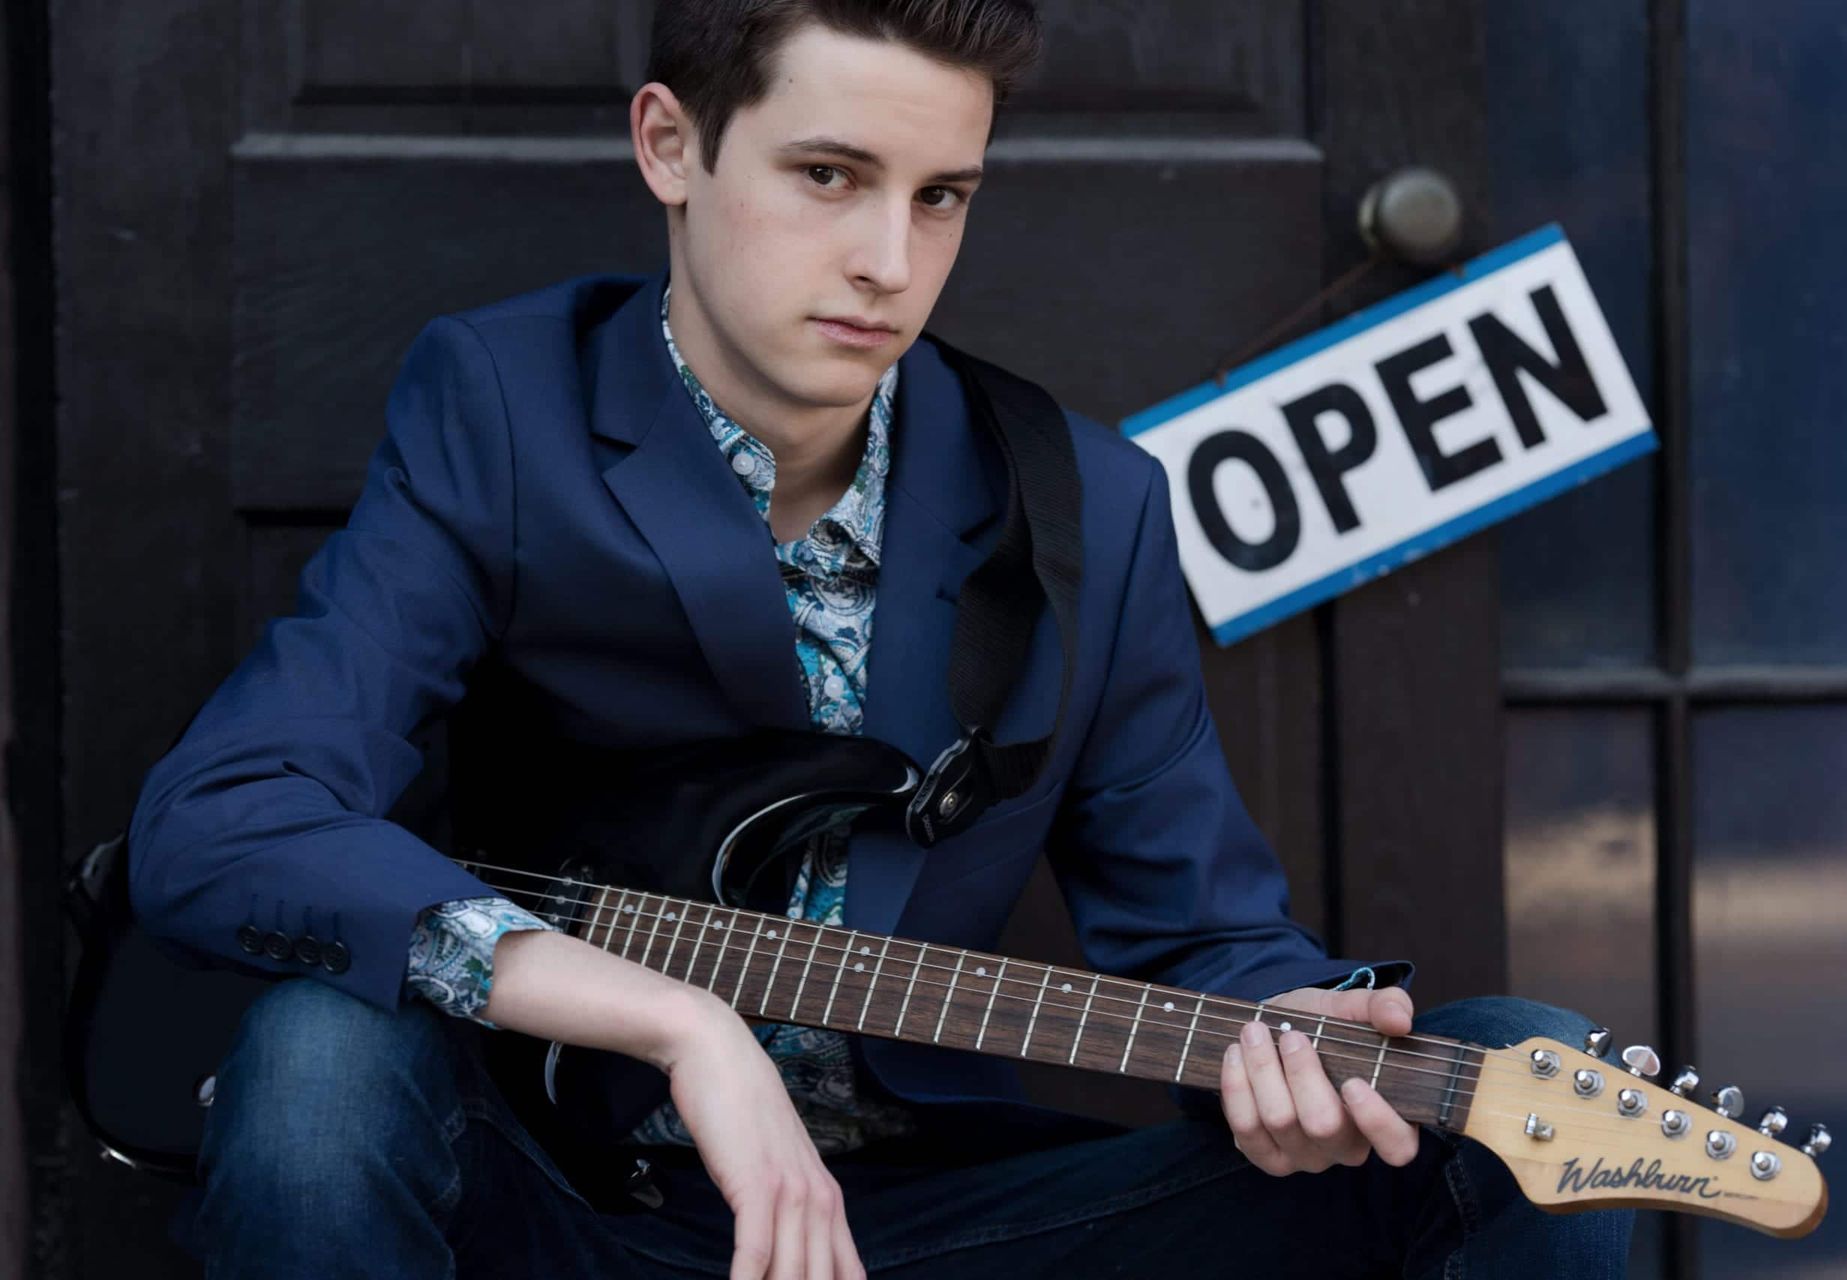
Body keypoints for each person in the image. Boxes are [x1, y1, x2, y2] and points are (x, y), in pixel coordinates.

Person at [126, 2, 1635, 1276]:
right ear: (671, 145)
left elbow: (1206, 937)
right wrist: (682, 1025)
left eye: (941, 197)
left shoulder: (1086, 503)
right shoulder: (505, 409)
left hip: (926, 1217)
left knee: (1507, 1083)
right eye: (830, 176)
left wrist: (1288, 1033)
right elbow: (226, 812)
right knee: (319, 1064)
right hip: (563, 1202)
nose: (889, 263)